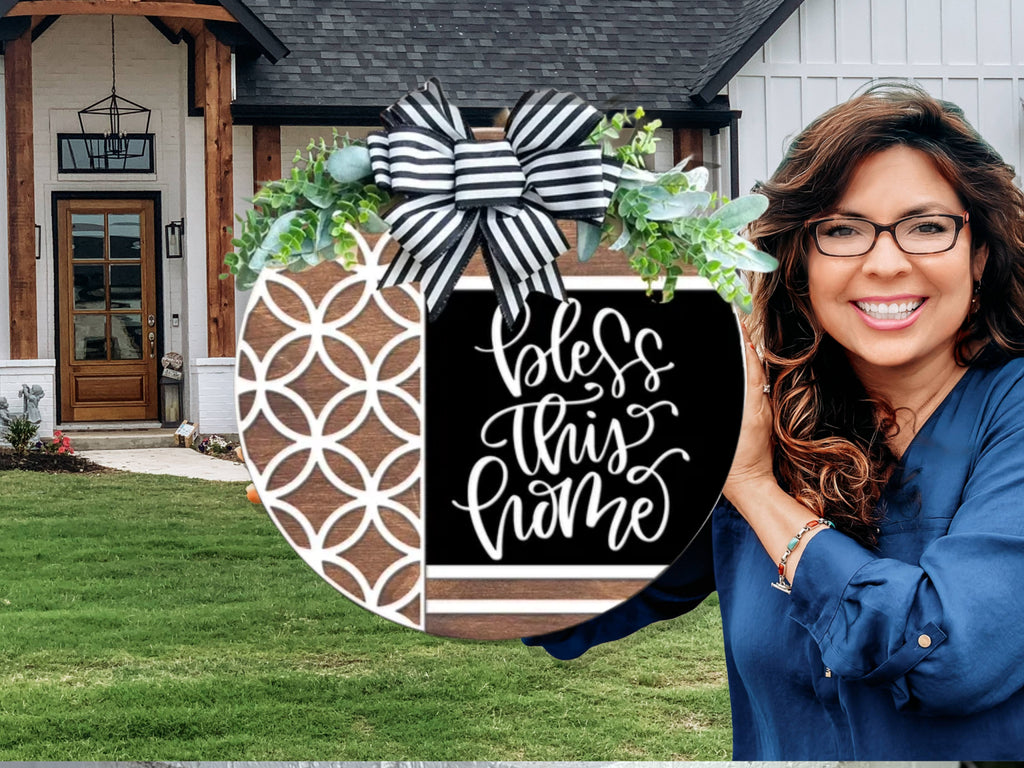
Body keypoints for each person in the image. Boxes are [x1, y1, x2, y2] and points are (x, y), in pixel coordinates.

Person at [524, 83, 1024, 760]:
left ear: (981, 252)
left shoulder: (1009, 412)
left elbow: (952, 657)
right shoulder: (766, 412)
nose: (884, 262)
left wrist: (757, 489)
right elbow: (563, 602)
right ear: (799, 261)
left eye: (927, 226)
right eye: (842, 230)